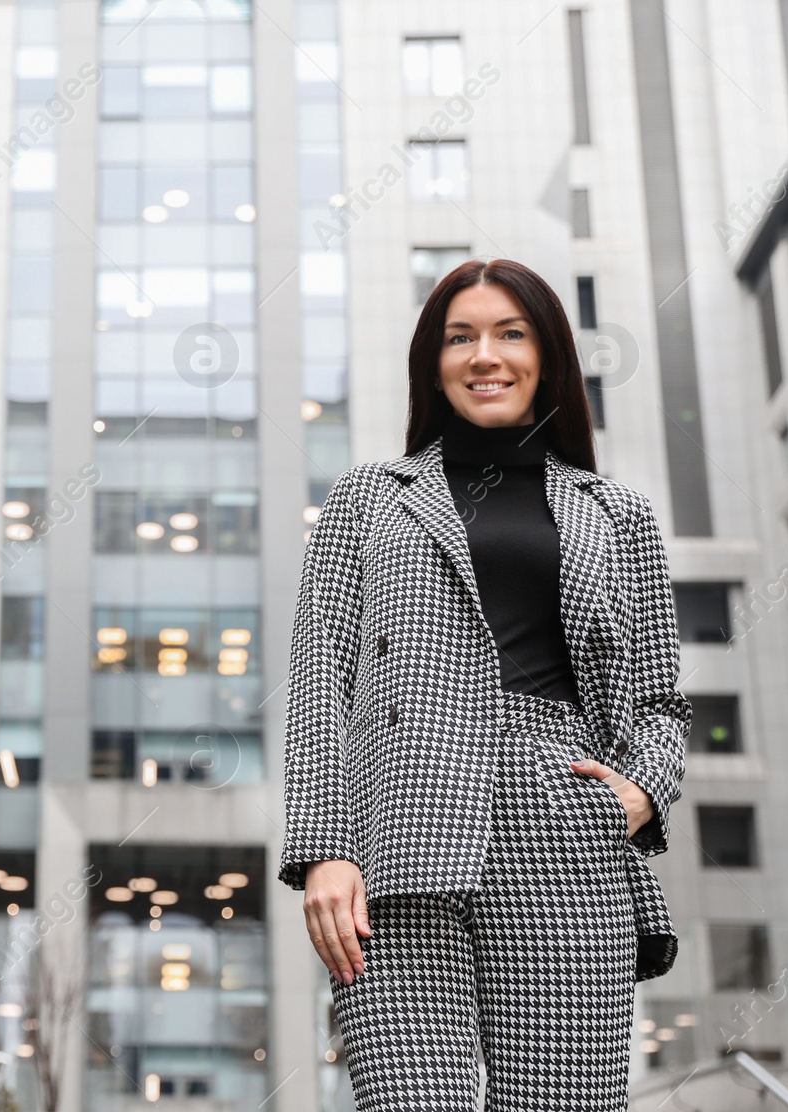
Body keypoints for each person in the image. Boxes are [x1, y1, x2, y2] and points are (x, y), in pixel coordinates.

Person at [279, 258, 691, 1109]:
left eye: (511, 333)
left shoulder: (618, 514)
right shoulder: (367, 501)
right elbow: (319, 679)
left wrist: (639, 793)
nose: (484, 355)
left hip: (564, 828)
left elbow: (660, 702)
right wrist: (323, 848)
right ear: (433, 363)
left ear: (547, 356)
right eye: (459, 337)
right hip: (400, 832)